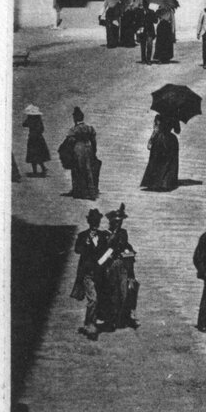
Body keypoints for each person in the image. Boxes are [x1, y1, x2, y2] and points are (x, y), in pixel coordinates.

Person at [98, 204, 139, 332]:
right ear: (111, 222)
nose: (118, 224)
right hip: (109, 265)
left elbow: (127, 248)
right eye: (116, 222)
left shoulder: (123, 233)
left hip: (122, 265)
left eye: (120, 222)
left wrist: (128, 254)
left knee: (125, 291)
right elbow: (105, 250)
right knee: (111, 292)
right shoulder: (105, 234)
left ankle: (124, 316)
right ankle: (110, 318)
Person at [72, 208, 109, 340]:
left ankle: (94, 320)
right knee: (93, 299)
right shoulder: (82, 236)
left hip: (99, 273)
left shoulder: (104, 236)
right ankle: (89, 324)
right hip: (87, 273)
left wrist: (103, 261)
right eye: (93, 221)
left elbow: (108, 251)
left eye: (97, 221)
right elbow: (77, 250)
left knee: (100, 299)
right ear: (89, 221)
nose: (95, 223)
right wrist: (86, 244)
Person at [60, 107, 101, 200]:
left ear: (75, 118)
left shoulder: (74, 129)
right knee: (88, 168)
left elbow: (70, 141)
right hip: (88, 148)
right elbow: (94, 141)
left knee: (77, 169)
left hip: (78, 149)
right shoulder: (89, 128)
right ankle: (90, 190)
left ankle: (78, 190)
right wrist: (94, 151)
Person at [140, 113, 180, 192]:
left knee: (156, 161)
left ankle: (152, 183)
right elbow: (177, 131)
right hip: (171, 140)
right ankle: (166, 183)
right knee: (169, 162)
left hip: (159, 140)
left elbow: (156, 129)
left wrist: (151, 140)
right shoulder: (175, 117)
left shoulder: (158, 117)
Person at [22, 104, 50, 176]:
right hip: (38, 139)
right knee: (38, 155)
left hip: (33, 139)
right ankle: (42, 168)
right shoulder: (38, 120)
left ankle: (36, 171)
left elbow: (24, 124)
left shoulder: (31, 120)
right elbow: (41, 129)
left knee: (33, 155)